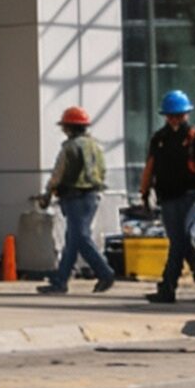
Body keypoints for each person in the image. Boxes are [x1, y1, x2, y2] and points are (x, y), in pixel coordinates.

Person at [136, 89, 195, 304]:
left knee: (186, 235)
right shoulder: (159, 139)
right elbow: (150, 167)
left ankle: (193, 277)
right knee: (177, 242)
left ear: (186, 114)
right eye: (171, 115)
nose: (175, 119)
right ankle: (183, 282)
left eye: (179, 115)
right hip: (168, 198)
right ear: (166, 116)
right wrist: (144, 192)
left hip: (193, 196)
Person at [32, 106, 116, 295]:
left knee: (80, 238)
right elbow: (102, 172)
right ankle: (60, 281)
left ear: (69, 127)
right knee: (72, 240)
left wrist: (47, 194)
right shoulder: (95, 147)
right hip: (92, 196)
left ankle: (105, 272)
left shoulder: (70, 147)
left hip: (74, 197)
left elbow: (58, 174)